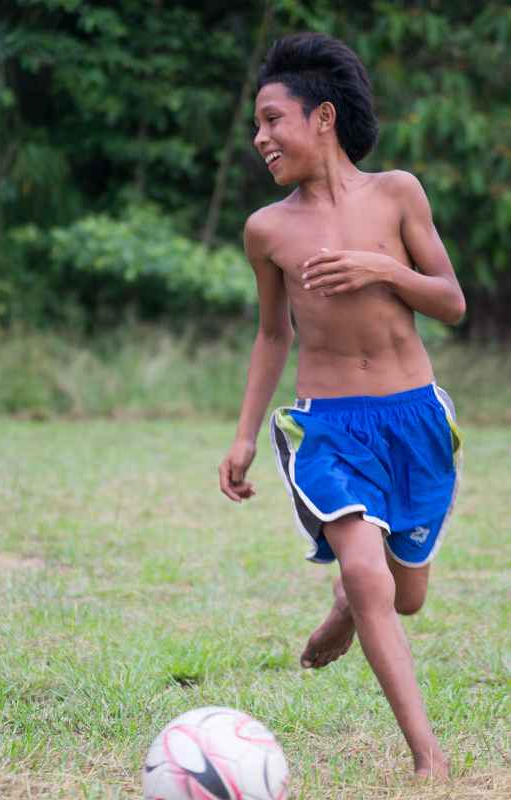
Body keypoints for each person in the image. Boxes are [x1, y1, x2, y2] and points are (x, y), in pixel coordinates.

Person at [218, 32, 465, 779]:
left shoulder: (398, 194)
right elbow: (272, 335)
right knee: (367, 572)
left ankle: (348, 607)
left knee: (404, 595)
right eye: (257, 126)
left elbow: (450, 302)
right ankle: (429, 760)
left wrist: (380, 268)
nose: (261, 138)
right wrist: (244, 436)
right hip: (326, 428)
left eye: (273, 120)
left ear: (322, 117)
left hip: (414, 419)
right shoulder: (268, 230)